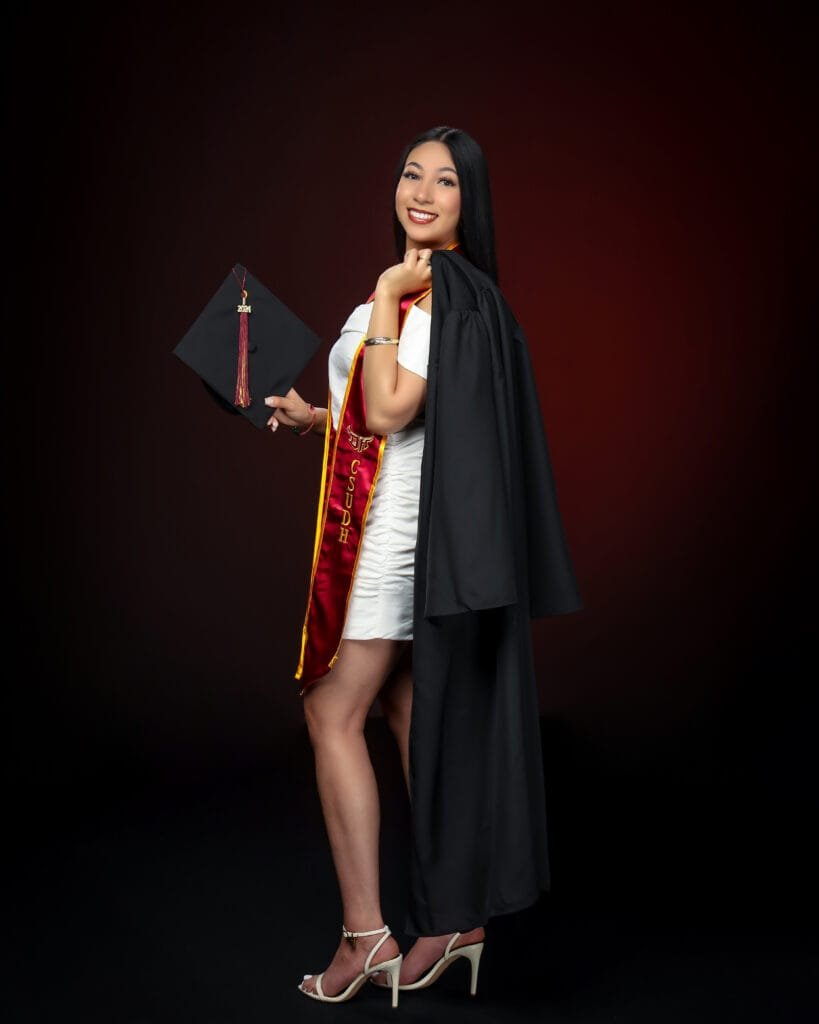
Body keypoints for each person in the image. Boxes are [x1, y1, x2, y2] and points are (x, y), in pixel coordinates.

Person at [264, 126, 583, 1006]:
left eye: (445, 181)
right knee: (409, 710)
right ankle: (454, 916)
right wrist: (312, 417)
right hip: (389, 517)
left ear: (468, 203)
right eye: (412, 173)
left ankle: (364, 934)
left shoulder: (433, 294)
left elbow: (391, 410)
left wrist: (382, 292)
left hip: (395, 536)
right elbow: (372, 415)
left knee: (330, 710)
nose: (422, 191)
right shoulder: (425, 289)